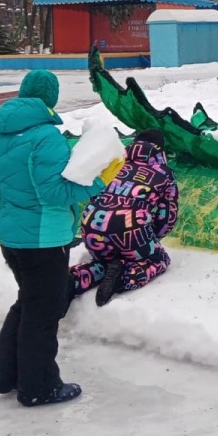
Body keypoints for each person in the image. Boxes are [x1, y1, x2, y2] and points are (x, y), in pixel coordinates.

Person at [0, 70, 106, 407]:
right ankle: (39, 386)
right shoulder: (46, 137)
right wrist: (98, 180)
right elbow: (55, 192)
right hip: (44, 239)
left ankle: (7, 376)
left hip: (11, 236)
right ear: (51, 98)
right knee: (43, 312)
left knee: (27, 303)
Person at [69, 128, 180, 307]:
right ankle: (124, 277)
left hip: (91, 229)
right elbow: (166, 217)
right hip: (130, 231)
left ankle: (73, 280)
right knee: (159, 259)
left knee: (102, 262)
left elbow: (95, 197)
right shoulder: (164, 174)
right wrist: (152, 239)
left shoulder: (113, 165)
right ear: (160, 149)